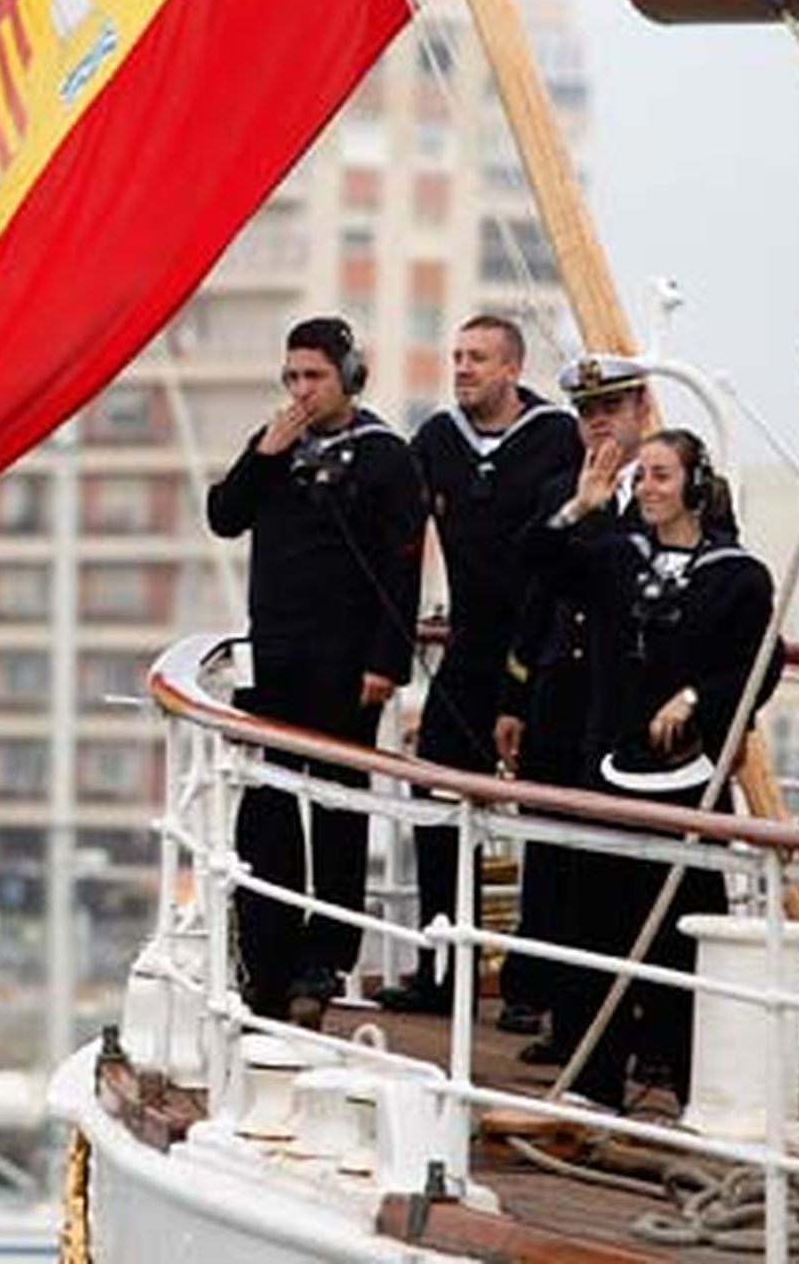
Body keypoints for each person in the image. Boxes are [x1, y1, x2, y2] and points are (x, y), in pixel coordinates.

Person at [526, 426, 783, 1110]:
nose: (646, 488)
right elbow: (538, 561)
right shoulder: (615, 556)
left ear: (695, 486)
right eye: (641, 476)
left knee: (682, 934)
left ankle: (697, 1087)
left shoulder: (738, 576)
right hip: (611, 772)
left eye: (661, 475)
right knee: (594, 929)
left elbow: (761, 663)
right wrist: (581, 506)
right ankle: (594, 1084)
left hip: (686, 784)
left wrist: (696, 697)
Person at [207, 316, 425, 1026]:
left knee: (337, 808)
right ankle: (266, 957)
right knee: (268, 806)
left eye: (315, 377)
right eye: (293, 376)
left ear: (348, 377)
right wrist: (264, 456)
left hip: (347, 663)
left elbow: (402, 566)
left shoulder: (387, 456)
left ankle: (323, 958)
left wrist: (386, 662)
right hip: (276, 656)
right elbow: (224, 516)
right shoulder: (273, 445)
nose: (301, 390)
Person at [377, 315, 580, 1018]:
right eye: (457, 356)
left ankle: (534, 986)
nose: (461, 368)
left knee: (544, 815)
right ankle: (443, 969)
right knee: (435, 795)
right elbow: (393, 519)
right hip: (468, 649)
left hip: (541, 652)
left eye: (478, 358)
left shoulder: (557, 439)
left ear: (512, 369)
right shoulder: (438, 439)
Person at [493, 353, 652, 1055]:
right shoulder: (561, 490)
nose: (598, 424)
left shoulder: (671, 487)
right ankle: (563, 1018)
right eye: (587, 412)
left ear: (641, 410)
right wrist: (515, 695)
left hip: (627, 703)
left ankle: (638, 1028)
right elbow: (535, 595)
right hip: (561, 697)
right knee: (552, 861)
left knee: (621, 870)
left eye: (611, 409)